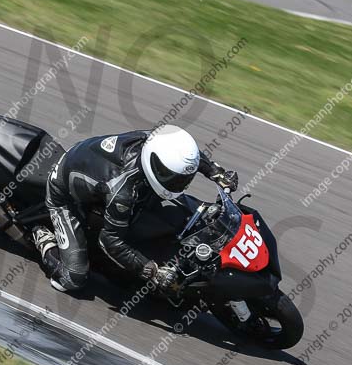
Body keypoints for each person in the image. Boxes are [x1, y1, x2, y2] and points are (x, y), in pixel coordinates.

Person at [31, 124, 238, 293]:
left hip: (93, 166)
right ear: (154, 165)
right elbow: (110, 240)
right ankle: (44, 238)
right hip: (64, 194)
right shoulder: (123, 191)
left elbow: (189, 156)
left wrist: (216, 173)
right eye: (173, 178)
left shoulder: (161, 142)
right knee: (72, 279)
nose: (179, 184)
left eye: (182, 178)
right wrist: (152, 271)